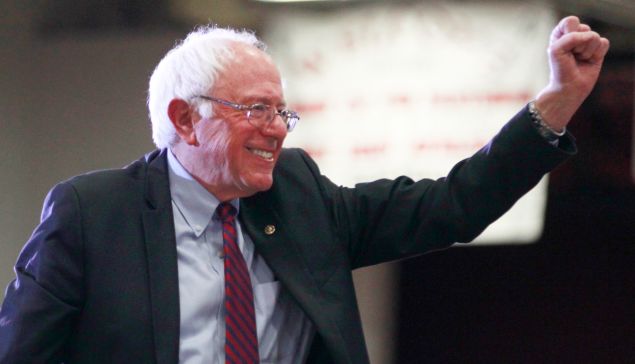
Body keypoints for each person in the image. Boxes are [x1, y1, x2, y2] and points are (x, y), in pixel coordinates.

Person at [0, 15, 609, 364]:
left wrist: (555, 106)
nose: (276, 131)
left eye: (282, 113)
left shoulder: (297, 195)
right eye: (257, 110)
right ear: (186, 119)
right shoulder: (93, 214)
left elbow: (450, 205)